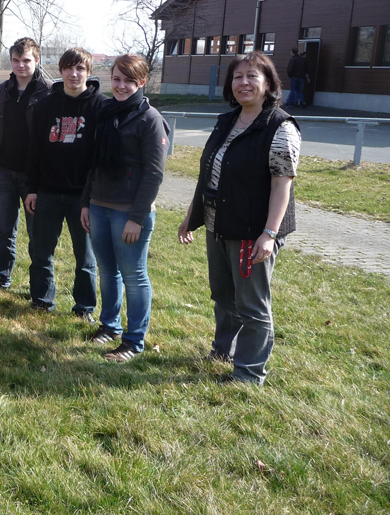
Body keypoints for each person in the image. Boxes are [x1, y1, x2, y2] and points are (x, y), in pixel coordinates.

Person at [178, 51, 300, 385]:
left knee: (251, 303)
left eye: (251, 76)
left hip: (253, 230)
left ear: (268, 83)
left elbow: (281, 186)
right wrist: (191, 216)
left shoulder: (280, 127)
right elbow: (208, 174)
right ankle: (222, 350)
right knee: (223, 295)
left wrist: (270, 233)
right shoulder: (226, 120)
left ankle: (248, 374)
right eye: (237, 77)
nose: (243, 83)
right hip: (219, 223)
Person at [80, 53, 169, 363]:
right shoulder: (105, 112)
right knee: (107, 272)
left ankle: (133, 341)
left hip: (129, 212)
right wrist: (87, 203)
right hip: (99, 206)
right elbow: (93, 162)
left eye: (128, 81)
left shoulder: (150, 119)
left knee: (134, 276)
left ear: (141, 82)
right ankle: (109, 326)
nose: (120, 86)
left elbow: (154, 174)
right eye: (116, 79)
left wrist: (137, 218)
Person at [25, 48, 103, 321]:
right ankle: (42, 300)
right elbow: (33, 150)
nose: (74, 74)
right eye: (69, 68)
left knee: (86, 258)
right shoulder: (44, 106)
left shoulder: (100, 107)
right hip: (47, 192)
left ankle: (84, 308)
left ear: (89, 72)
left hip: (83, 198)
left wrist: (92, 197)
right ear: (60, 71)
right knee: (41, 252)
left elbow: (100, 156)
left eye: (80, 68)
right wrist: (32, 188)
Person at [0, 37, 50, 290]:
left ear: (37, 60)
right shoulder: (0, 93)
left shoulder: (49, 92)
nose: (21, 65)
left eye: (26, 60)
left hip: (35, 178)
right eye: (16, 60)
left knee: (37, 235)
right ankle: (0, 279)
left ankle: (39, 288)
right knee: (5, 232)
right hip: (3, 173)